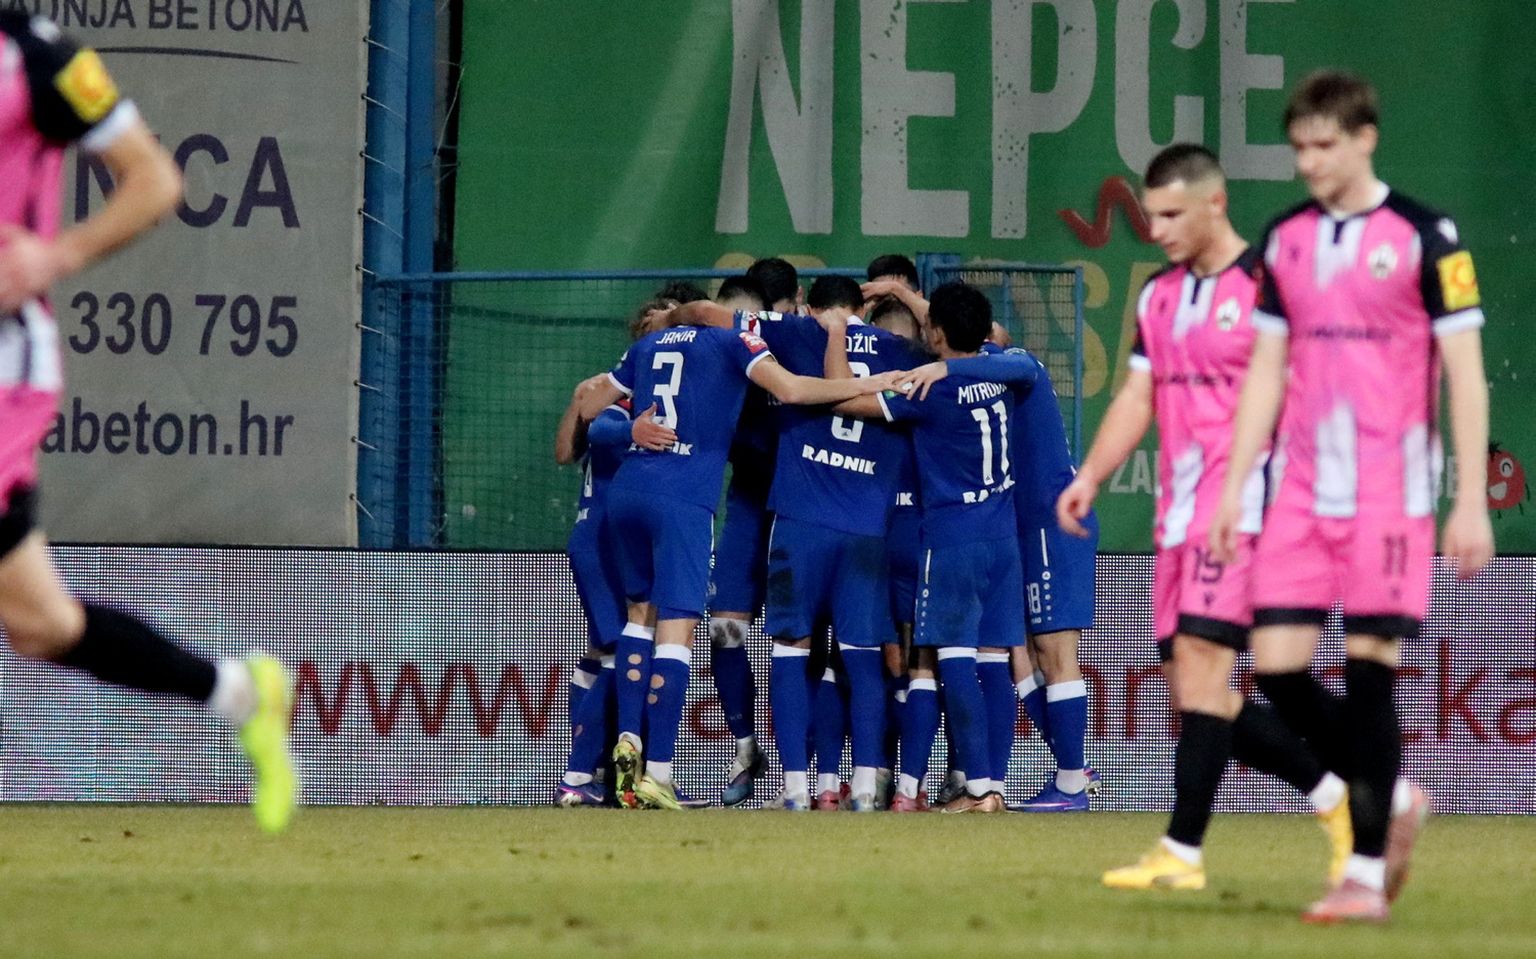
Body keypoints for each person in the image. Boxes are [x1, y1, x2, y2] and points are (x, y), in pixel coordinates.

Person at [1209, 72, 1492, 922]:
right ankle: (1393, 790)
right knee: (1278, 669)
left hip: (1388, 495)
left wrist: (1469, 500)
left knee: (1371, 678)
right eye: (1299, 147)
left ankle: (1364, 874)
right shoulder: (1284, 238)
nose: (1310, 162)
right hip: (1300, 492)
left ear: (1365, 138)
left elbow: (1465, 374)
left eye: (1325, 145)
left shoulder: (1427, 236)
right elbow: (1266, 371)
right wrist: (1233, 486)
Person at [0, 14, 294, 832]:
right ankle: (238, 693)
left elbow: (155, 181)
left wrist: (54, 256)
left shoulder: (35, 57)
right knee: (42, 624)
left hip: (6, 364)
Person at [1058, 144, 1351, 886]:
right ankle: (1340, 794)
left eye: (1170, 215)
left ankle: (1182, 852)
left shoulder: (1267, 286)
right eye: (1150, 215)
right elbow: (1137, 396)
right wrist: (1090, 474)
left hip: (1244, 511)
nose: (1155, 230)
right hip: (1177, 516)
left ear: (1214, 204)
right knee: (1199, 694)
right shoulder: (1159, 295)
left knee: (1204, 669)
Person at [575, 302, 901, 810]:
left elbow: (590, 407)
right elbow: (792, 390)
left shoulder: (647, 346)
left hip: (628, 493)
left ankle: (629, 739)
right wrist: (868, 385)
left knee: (639, 618)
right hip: (684, 498)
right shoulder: (733, 342)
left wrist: (630, 428)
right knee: (678, 632)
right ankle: (658, 771)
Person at [833, 282, 1034, 813]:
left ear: (937, 334)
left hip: (953, 540)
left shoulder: (927, 389)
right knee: (995, 663)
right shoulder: (1000, 370)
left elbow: (850, 403)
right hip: (1003, 538)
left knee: (952, 660)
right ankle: (994, 785)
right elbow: (1019, 362)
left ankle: (977, 789)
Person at [553, 299, 680, 806]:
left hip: (622, 540)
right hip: (602, 539)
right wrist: (579, 403)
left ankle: (601, 775)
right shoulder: (622, 392)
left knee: (601, 653)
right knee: (618, 650)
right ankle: (577, 777)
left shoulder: (664, 393)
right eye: (656, 324)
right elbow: (571, 448)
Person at [712, 262, 797, 805]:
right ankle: (746, 748)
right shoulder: (728, 351)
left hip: (800, 508)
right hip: (747, 502)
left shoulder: (808, 343)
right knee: (724, 629)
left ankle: (810, 773)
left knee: (801, 642)